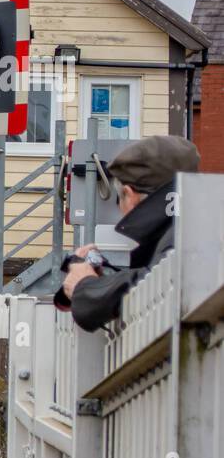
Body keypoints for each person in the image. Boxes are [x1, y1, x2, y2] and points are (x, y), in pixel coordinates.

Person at [58, 134, 200, 331]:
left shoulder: (179, 235)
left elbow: (152, 285)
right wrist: (104, 283)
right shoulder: (200, 223)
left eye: (119, 199)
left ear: (129, 195)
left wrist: (86, 286)